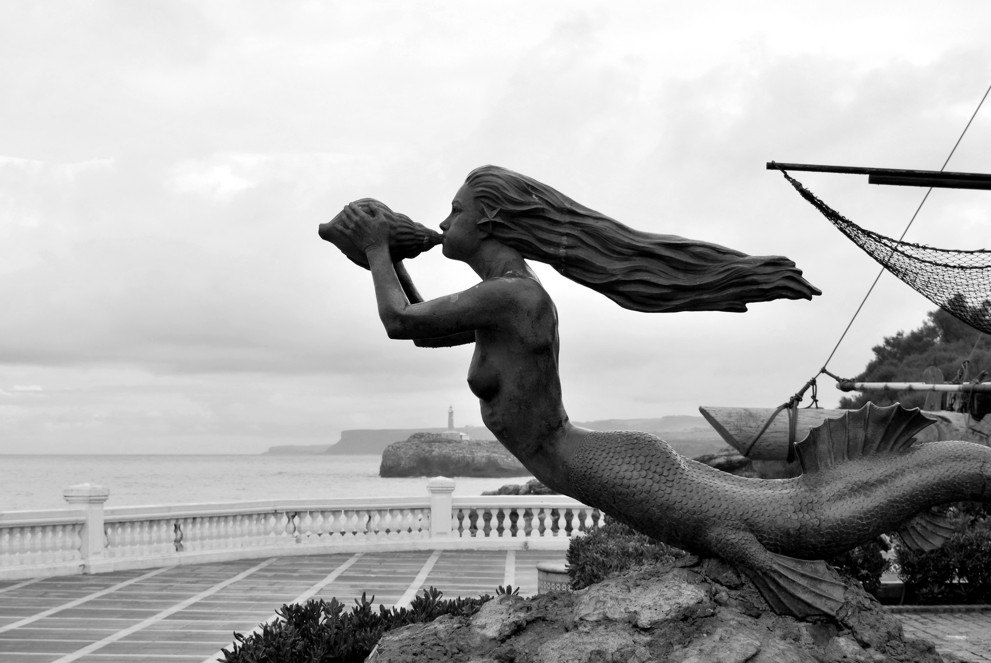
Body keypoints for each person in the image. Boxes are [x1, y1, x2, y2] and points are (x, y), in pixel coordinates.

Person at [337, 165, 820, 496]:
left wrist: (376, 247)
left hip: (582, 459)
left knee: (717, 514)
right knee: (717, 506)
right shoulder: (503, 298)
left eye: (456, 211)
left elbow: (398, 321)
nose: (444, 222)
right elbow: (422, 330)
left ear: (489, 221)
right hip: (579, 458)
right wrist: (390, 259)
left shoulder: (512, 296)